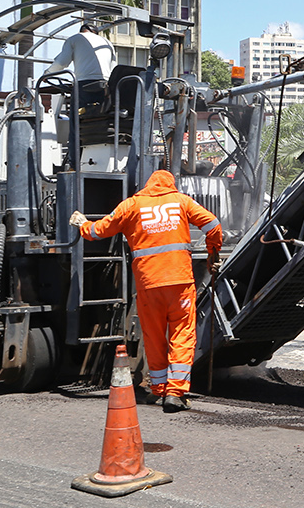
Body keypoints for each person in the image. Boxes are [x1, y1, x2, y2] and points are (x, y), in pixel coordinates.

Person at [71, 169, 222, 412]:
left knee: (153, 336)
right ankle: (175, 393)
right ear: (170, 185)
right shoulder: (181, 201)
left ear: (148, 185)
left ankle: (159, 389)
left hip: (149, 284)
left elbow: (98, 231)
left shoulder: (131, 205)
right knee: (182, 335)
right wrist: (212, 252)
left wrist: (82, 224)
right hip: (179, 282)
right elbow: (213, 224)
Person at [45, 23, 117, 112]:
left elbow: (61, 62)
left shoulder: (74, 39)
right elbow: (113, 67)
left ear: (81, 31)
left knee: (76, 113)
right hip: (104, 85)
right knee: (100, 113)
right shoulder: (107, 43)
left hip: (84, 84)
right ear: (95, 32)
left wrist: (47, 74)